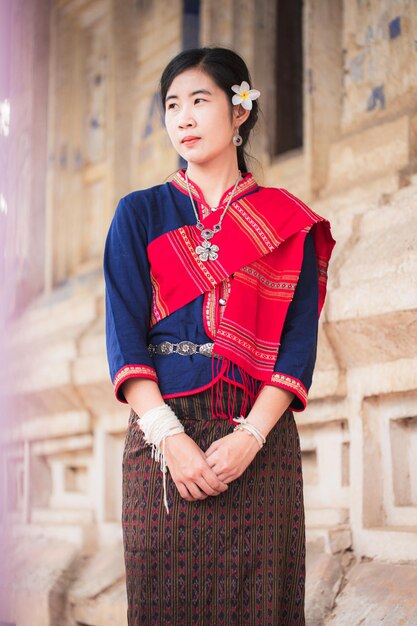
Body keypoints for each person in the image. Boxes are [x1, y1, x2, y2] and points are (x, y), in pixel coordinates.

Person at [103, 46, 335, 626]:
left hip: (258, 442)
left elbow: (297, 346)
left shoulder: (286, 221)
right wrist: (172, 441)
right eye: (171, 104)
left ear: (239, 112)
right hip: (162, 444)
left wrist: (250, 438)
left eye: (199, 101)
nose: (182, 117)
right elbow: (125, 340)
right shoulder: (140, 214)